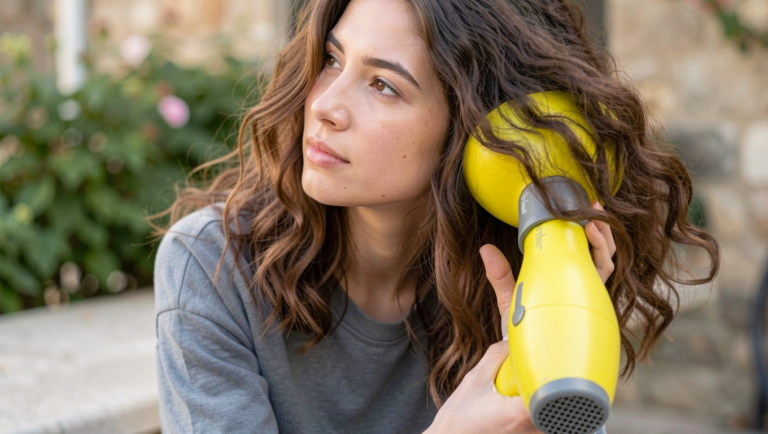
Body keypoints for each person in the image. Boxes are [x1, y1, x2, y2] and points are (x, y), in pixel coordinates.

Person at [151, 0, 720, 433]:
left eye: (382, 85)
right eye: (332, 59)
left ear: (475, 132)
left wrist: (552, 338)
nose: (323, 105)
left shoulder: (506, 289)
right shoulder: (209, 267)